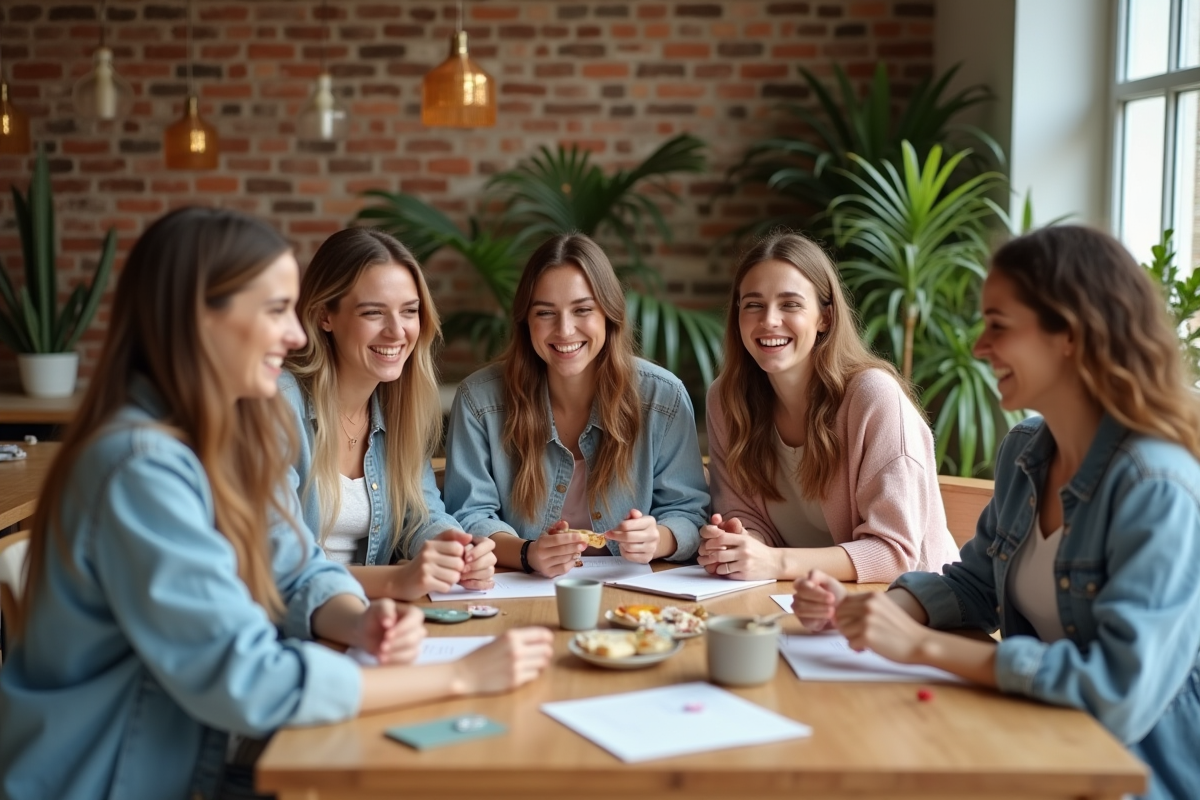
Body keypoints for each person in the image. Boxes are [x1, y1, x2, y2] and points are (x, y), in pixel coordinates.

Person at [0, 208, 553, 800]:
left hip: (196, 755)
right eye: (275, 311)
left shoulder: (201, 439)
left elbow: (293, 566)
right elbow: (247, 680)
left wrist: (358, 620)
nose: (295, 336)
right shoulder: (143, 467)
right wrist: (460, 677)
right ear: (200, 318)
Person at [794, 226, 1200, 800]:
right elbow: (976, 585)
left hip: (1130, 772)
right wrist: (874, 612)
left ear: (1070, 334)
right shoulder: (1026, 451)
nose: (980, 347)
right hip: (1035, 736)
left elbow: (1118, 694)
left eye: (999, 326)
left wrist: (921, 646)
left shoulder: (1156, 485)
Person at [444, 233, 709, 577]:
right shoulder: (479, 401)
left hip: (634, 589)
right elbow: (469, 515)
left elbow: (689, 511)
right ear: (526, 322)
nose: (565, 330)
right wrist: (528, 552)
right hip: (522, 587)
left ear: (609, 314)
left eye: (582, 310)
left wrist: (657, 540)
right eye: (545, 313)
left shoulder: (663, 397)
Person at [701, 231, 959, 583]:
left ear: (825, 317)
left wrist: (775, 562)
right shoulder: (727, 401)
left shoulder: (874, 398)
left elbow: (894, 554)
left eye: (790, 304)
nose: (769, 320)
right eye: (753, 305)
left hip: (912, 602)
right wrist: (739, 545)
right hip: (797, 599)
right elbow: (746, 518)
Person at [281, 227, 495, 600]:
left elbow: (421, 515)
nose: (397, 331)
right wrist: (398, 579)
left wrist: (456, 548)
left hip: (371, 612)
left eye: (409, 311)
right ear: (324, 315)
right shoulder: (279, 405)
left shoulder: (400, 409)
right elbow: (281, 563)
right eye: (373, 312)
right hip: (293, 620)